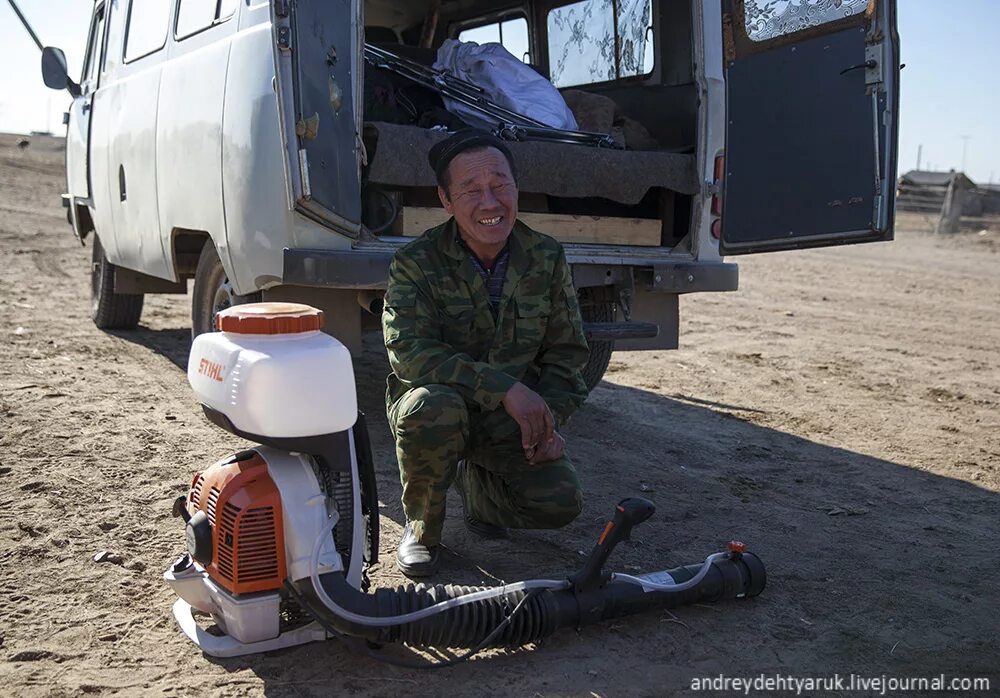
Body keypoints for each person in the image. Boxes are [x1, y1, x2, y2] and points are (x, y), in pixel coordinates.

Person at [381, 129, 591, 577]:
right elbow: (408, 352)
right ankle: (422, 530)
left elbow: (568, 354)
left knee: (560, 503)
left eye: (500, 186)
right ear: (446, 199)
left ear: (517, 188)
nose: (490, 202)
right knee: (431, 406)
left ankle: (477, 496)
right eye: (471, 190)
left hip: (506, 421)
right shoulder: (416, 261)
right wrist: (505, 388)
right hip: (441, 407)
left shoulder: (546, 257)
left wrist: (547, 419)